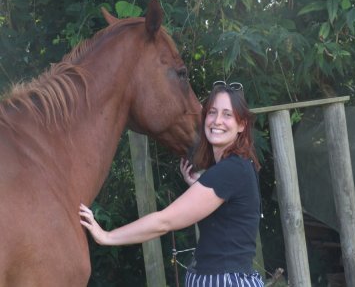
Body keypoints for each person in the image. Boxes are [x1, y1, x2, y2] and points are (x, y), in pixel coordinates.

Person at [79, 80, 264, 286]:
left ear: (242, 124)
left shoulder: (230, 170)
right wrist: (199, 187)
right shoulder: (237, 167)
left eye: (227, 114)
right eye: (212, 112)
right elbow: (229, 217)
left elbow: (163, 222)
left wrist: (106, 236)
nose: (217, 120)